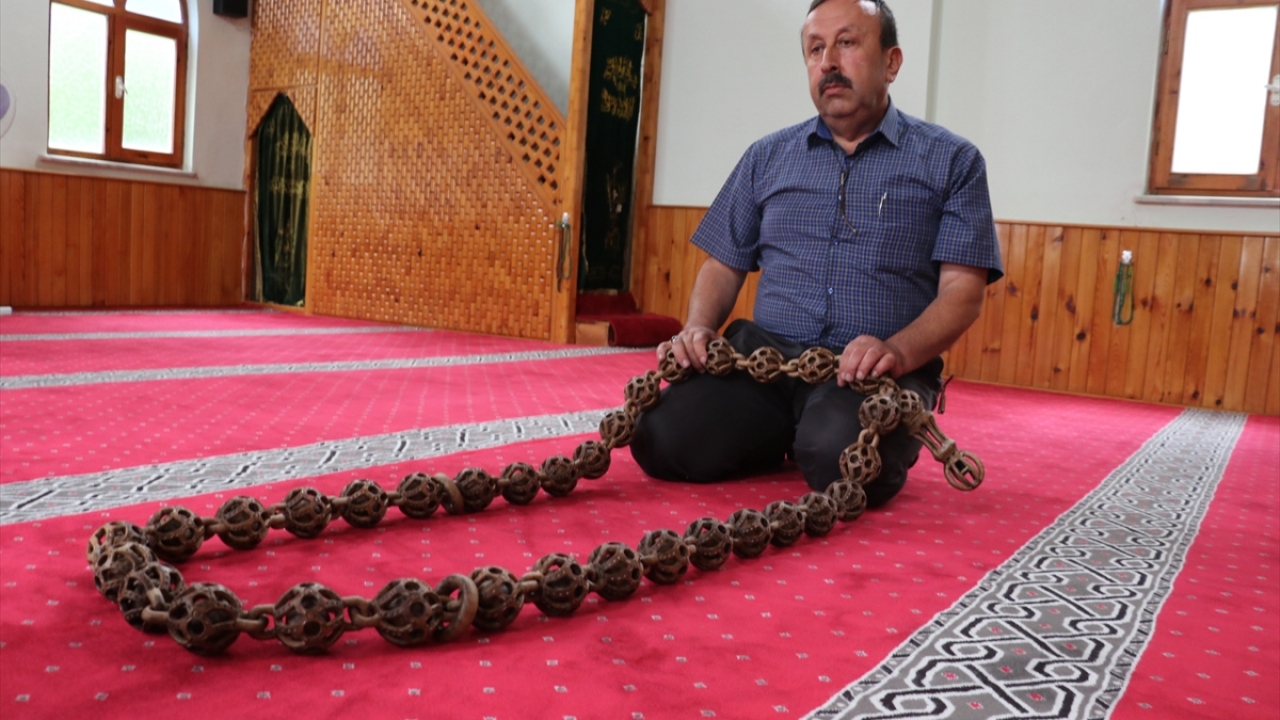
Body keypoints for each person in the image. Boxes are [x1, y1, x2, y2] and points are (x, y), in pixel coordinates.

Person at [629, 0, 1003, 508]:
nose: (828, 61)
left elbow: (964, 294)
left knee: (838, 458)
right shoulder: (767, 156)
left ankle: (816, 433)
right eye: (815, 49)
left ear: (891, 62)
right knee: (660, 439)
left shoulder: (952, 161)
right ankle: (779, 430)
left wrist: (896, 352)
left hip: (875, 374)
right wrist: (697, 328)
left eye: (847, 44)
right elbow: (722, 263)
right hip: (764, 361)